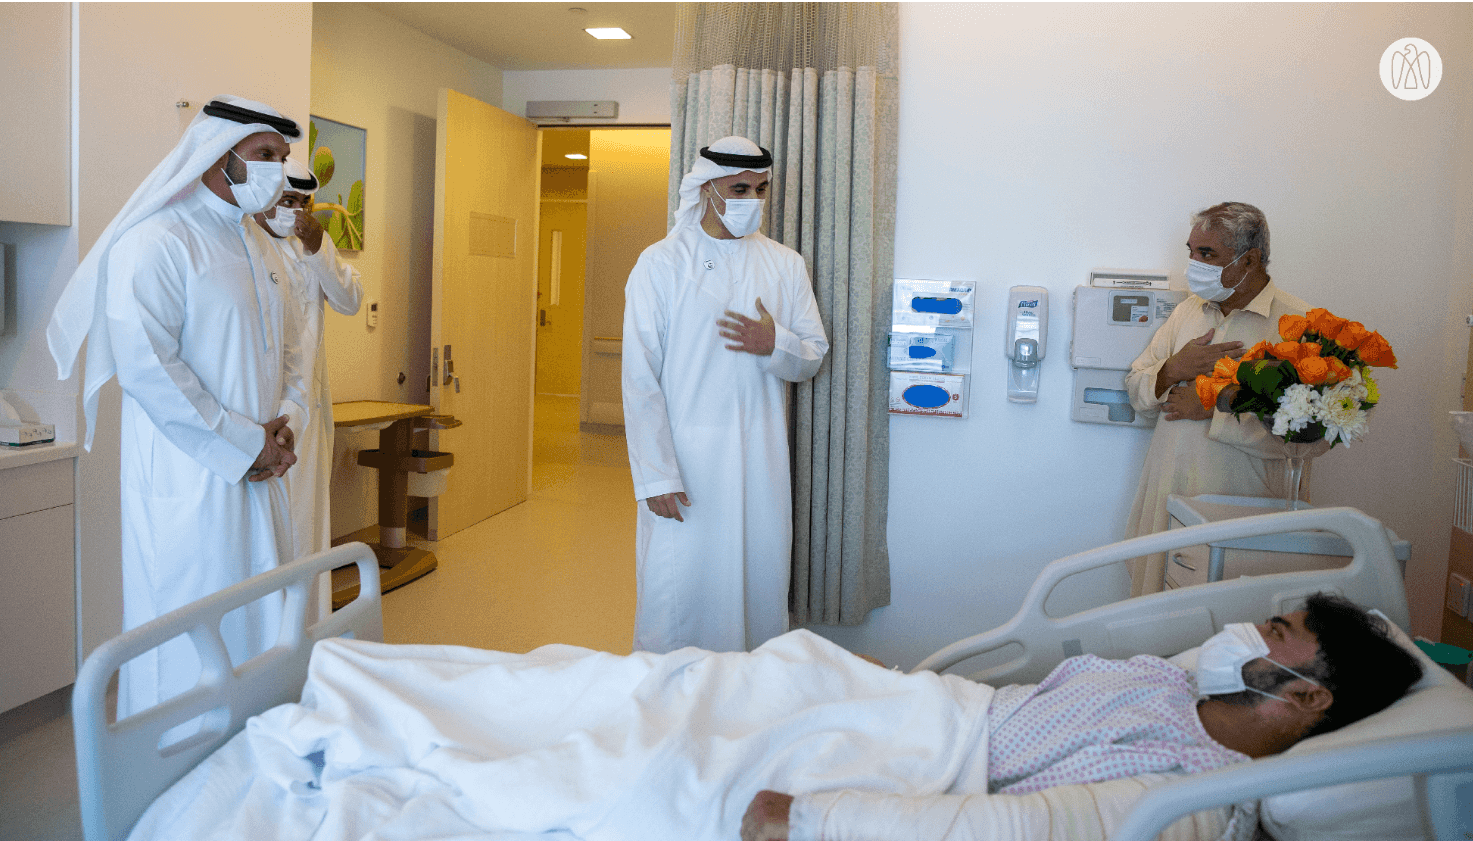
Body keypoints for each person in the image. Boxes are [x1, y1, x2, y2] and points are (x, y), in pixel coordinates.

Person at [740, 592, 1422, 841]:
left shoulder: (1197, 792)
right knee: (762, 670)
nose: (1247, 629)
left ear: (1310, 696)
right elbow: (1024, 707)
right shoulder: (1170, 677)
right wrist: (890, 683)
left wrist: (814, 821)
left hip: (923, 765)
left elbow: (1025, 829)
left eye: (1274, 632)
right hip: (925, 714)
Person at [47, 95, 309, 718]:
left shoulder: (262, 248)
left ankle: (254, 748)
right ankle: (179, 761)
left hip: (263, 474)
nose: (277, 171)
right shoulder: (157, 243)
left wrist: (287, 426)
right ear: (220, 157)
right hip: (191, 479)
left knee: (258, 626)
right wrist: (246, 443)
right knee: (190, 643)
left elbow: (293, 351)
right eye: (265, 154)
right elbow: (148, 369)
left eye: (282, 157)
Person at [621, 136, 829, 653]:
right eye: (739, 189)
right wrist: (656, 474)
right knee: (678, 591)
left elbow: (813, 354)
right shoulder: (661, 263)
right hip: (685, 462)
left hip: (759, 460)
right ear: (706, 187)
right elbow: (640, 379)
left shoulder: (785, 264)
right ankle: (669, 692)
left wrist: (774, 343)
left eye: (761, 189)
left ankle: (748, 694)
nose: (752, 200)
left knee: (757, 582)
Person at [1122, 202, 1310, 595]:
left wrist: (1214, 408)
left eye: (1207, 254)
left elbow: (1311, 440)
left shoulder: (1297, 324)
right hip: (1166, 500)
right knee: (1156, 617)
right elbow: (1137, 388)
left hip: (1243, 512)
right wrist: (1173, 369)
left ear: (1250, 260)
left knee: (1232, 617)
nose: (1194, 264)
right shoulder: (1187, 312)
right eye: (1191, 251)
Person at [251, 158, 363, 616]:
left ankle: (309, 632)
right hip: (260, 414)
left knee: (307, 524)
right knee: (268, 534)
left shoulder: (311, 248)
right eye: (285, 200)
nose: (293, 211)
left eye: (301, 203)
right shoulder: (245, 244)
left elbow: (350, 301)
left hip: (309, 414)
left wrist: (319, 249)